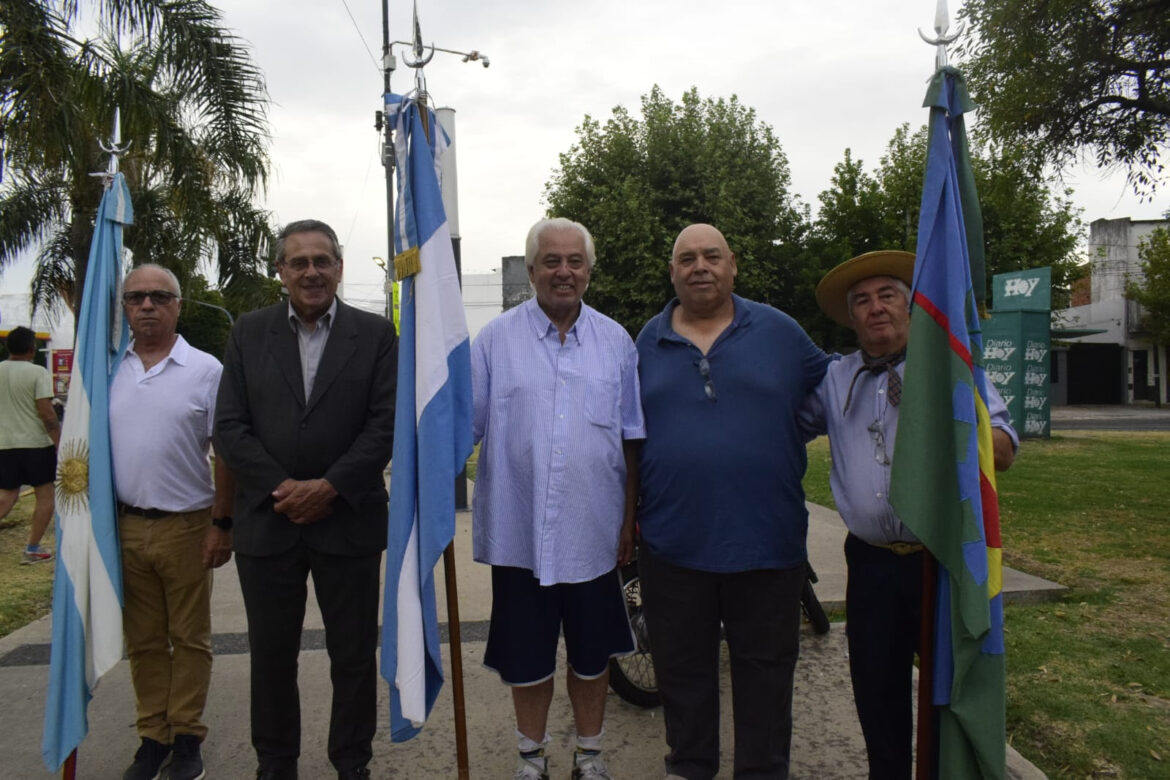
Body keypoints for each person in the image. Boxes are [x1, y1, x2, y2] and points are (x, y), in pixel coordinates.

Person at [799, 250, 1018, 780]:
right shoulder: (836, 380)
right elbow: (780, 425)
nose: (875, 309)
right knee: (877, 692)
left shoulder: (949, 369)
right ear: (851, 318)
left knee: (950, 692)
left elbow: (1005, 449)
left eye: (887, 296)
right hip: (870, 565)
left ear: (912, 308)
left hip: (939, 560)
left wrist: (946, 412)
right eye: (862, 301)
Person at [635, 223, 831, 779]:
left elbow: (841, 388)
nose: (700, 266)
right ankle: (689, 767)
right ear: (672, 271)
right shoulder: (645, 343)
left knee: (766, 679)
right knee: (681, 675)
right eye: (687, 258)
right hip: (673, 547)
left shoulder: (780, 332)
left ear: (733, 264)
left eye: (711, 256)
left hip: (767, 547)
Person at [214, 219, 397, 780]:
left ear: (339, 268)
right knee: (271, 656)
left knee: (353, 656)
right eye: (299, 262)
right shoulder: (248, 332)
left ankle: (351, 761)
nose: (312, 272)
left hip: (350, 521)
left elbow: (385, 424)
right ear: (281, 272)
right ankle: (276, 762)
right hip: (268, 525)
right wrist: (282, 488)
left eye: (322, 261)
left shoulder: (376, 335)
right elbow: (229, 426)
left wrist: (331, 486)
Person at [472, 218, 645, 780]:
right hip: (519, 535)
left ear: (589, 271)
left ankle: (589, 757)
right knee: (528, 660)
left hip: (592, 536)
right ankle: (532, 758)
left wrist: (628, 518)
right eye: (551, 261)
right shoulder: (494, 340)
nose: (563, 272)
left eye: (575, 262)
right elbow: (462, 428)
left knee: (591, 659)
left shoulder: (617, 342)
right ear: (531, 270)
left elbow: (631, 439)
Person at [108, 264, 235, 780]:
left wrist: (222, 524)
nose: (147, 306)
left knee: (189, 638)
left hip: (187, 523)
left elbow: (225, 454)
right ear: (124, 308)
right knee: (142, 641)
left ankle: (185, 737)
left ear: (178, 305)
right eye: (136, 298)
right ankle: (151, 737)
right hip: (124, 527)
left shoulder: (206, 370)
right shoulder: (107, 371)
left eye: (160, 297)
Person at [0, 326, 59, 564]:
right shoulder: (38, 373)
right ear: (32, 349)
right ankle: (32, 549)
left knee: (6, 496)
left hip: (5, 444)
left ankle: (33, 549)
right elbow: (47, 413)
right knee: (46, 496)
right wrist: (59, 443)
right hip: (36, 444)